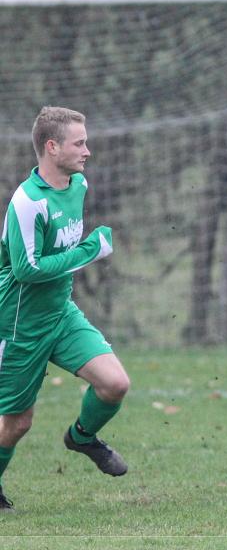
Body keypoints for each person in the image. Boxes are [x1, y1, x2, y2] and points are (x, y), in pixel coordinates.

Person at [0, 107, 130, 511]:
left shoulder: (78, 184)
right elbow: (27, 269)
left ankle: (82, 437)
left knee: (115, 384)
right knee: (17, 423)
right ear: (52, 147)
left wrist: (82, 252)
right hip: (20, 325)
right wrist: (89, 251)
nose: (87, 151)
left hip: (61, 313)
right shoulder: (27, 202)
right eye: (79, 143)